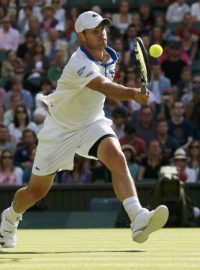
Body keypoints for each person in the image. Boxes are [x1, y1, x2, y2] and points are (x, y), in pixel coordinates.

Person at [0, 11, 169, 248]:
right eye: (94, 31)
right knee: (36, 192)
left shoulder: (110, 56)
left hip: (92, 122)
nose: (102, 35)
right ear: (81, 36)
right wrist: (133, 94)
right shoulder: (78, 63)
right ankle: (9, 219)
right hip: (60, 129)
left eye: (103, 29)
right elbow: (104, 87)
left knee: (118, 158)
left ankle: (138, 217)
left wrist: (132, 93)